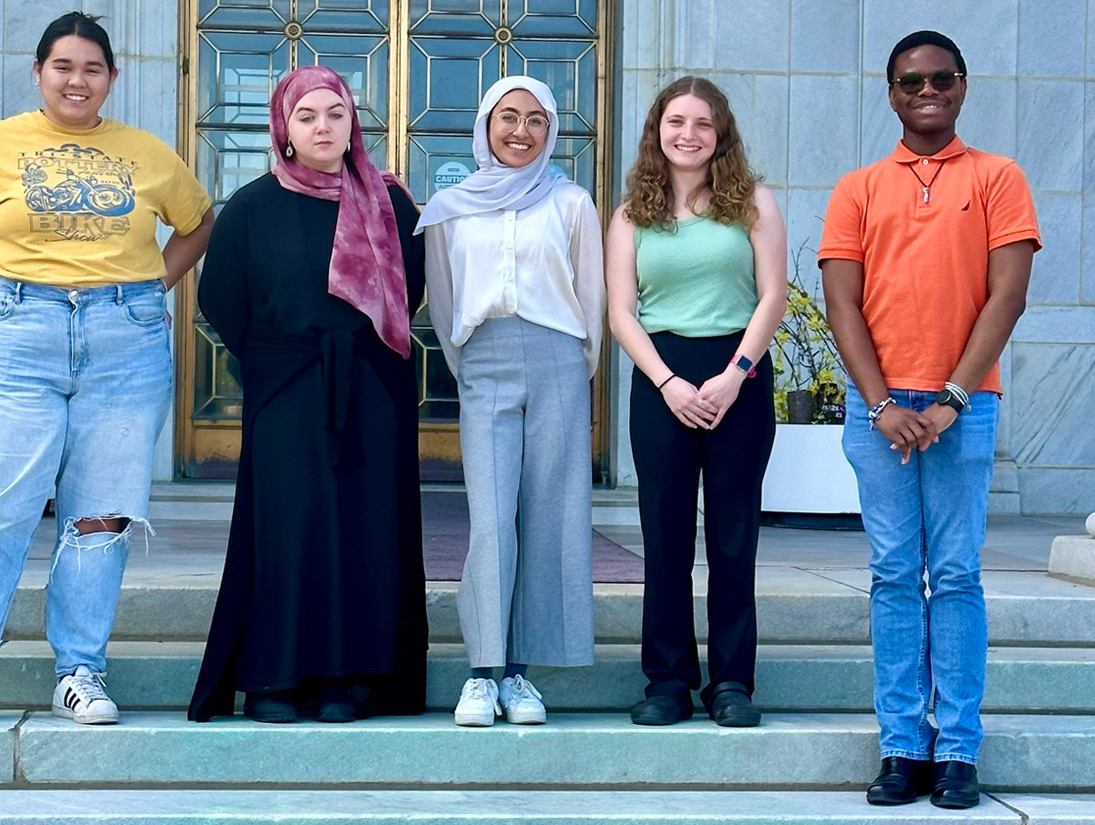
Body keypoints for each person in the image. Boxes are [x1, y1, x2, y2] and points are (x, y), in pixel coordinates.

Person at [0, 11, 214, 729]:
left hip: (125, 340)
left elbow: (198, 221)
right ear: (39, 72)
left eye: (92, 68)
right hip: (23, 333)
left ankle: (79, 670)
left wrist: (152, 286)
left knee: (100, 514)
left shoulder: (146, 152)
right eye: (63, 67)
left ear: (112, 77)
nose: (78, 81)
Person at [819, 31, 1039, 809]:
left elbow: (1007, 295)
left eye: (941, 78)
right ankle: (902, 745)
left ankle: (958, 750)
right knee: (892, 574)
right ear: (891, 94)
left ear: (963, 85)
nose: (928, 91)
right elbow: (841, 302)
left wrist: (952, 397)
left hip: (963, 408)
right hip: (879, 410)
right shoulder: (858, 188)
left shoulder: (998, 177)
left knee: (953, 574)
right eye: (911, 81)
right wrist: (882, 402)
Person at [188, 65, 427, 724]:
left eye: (336, 114)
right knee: (289, 528)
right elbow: (221, 298)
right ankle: (274, 677)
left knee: (361, 530)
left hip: (372, 388)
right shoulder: (252, 206)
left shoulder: (391, 204)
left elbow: (412, 289)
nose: (324, 127)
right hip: (287, 389)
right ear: (284, 129)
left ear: (353, 124)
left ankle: (347, 679)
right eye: (308, 115)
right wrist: (276, 361)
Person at [418, 76, 605, 727]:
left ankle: (520, 674)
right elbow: (444, 302)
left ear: (550, 130)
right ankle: (481, 673)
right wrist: (470, 364)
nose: (521, 131)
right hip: (484, 361)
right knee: (492, 518)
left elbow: (592, 299)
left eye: (535, 119)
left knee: (550, 517)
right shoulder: (450, 207)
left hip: (559, 361)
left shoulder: (571, 202)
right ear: (486, 124)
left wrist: (574, 369)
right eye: (508, 117)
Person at [605, 76, 786, 728]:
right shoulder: (632, 214)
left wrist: (736, 374)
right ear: (657, 130)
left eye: (703, 123)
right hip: (663, 379)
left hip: (739, 375)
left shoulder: (753, 202)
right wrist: (667, 382)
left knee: (734, 535)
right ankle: (669, 680)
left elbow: (773, 295)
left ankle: (732, 680)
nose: (688, 134)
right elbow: (621, 313)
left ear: (721, 132)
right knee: (665, 537)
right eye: (676, 122)